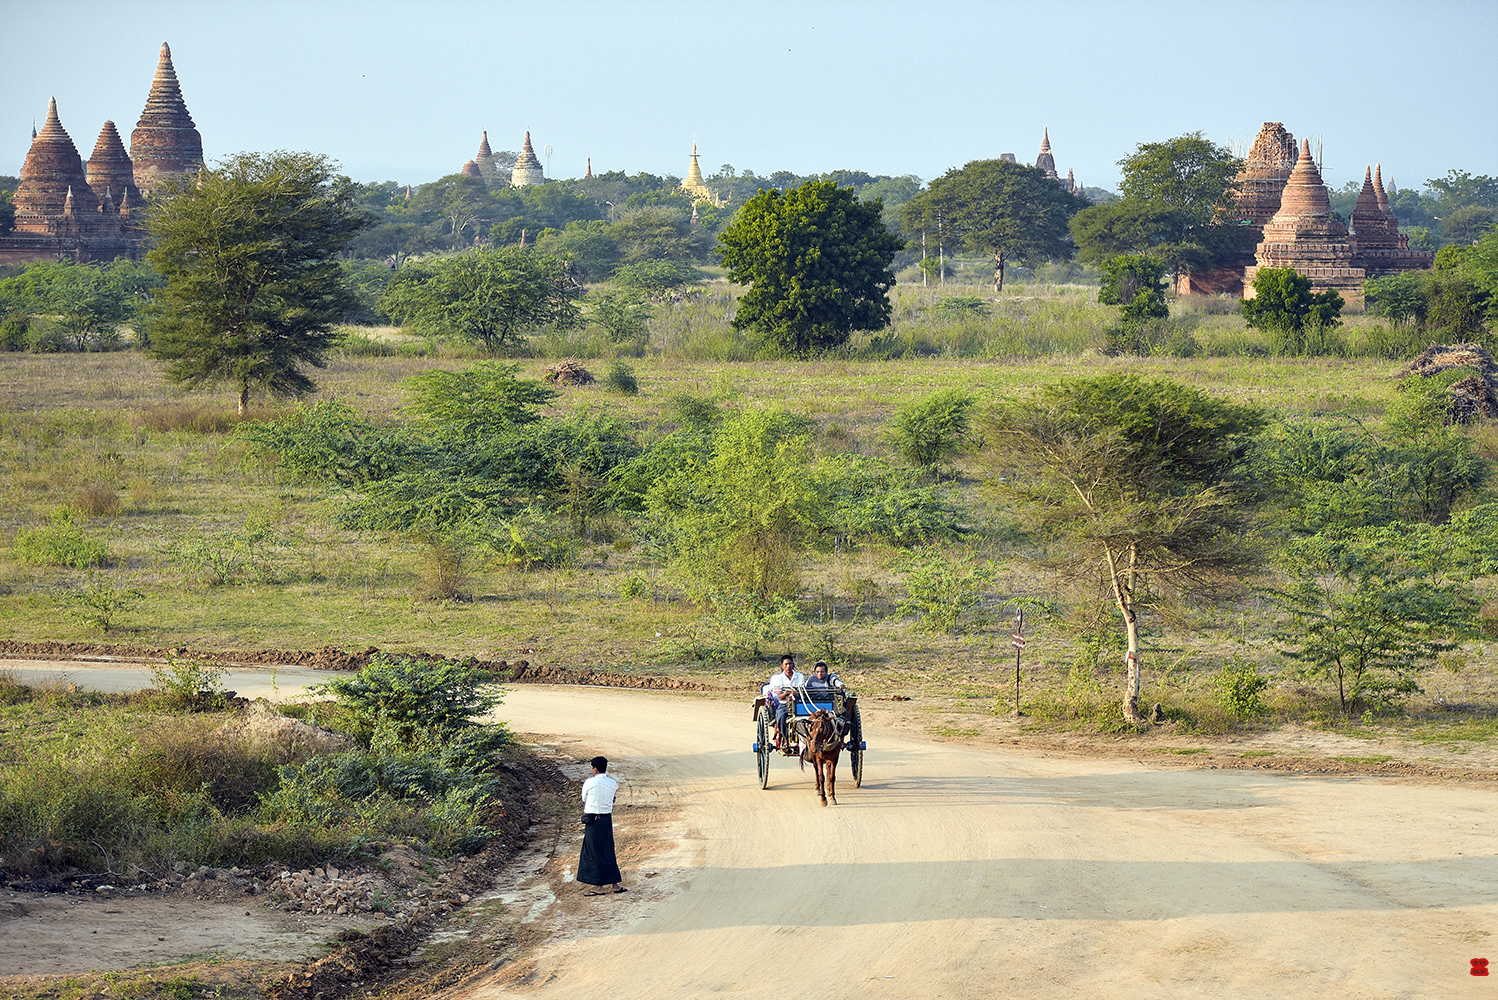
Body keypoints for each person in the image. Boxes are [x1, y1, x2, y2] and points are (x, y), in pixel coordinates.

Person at [578, 756, 624, 896]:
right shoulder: (612, 783)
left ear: (595, 769)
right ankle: (615, 885)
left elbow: (584, 799)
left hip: (593, 821)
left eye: (592, 768)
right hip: (606, 820)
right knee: (608, 850)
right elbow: (612, 799)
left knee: (593, 852)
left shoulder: (590, 782)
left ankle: (599, 887)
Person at [765, 654, 804, 748]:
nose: (788, 666)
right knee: (781, 717)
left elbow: (802, 691)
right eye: (786, 664)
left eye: (790, 664)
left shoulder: (799, 677)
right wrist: (787, 693)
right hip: (784, 704)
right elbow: (779, 697)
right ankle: (786, 738)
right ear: (782, 666)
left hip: (798, 704)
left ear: (793, 664)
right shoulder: (777, 678)